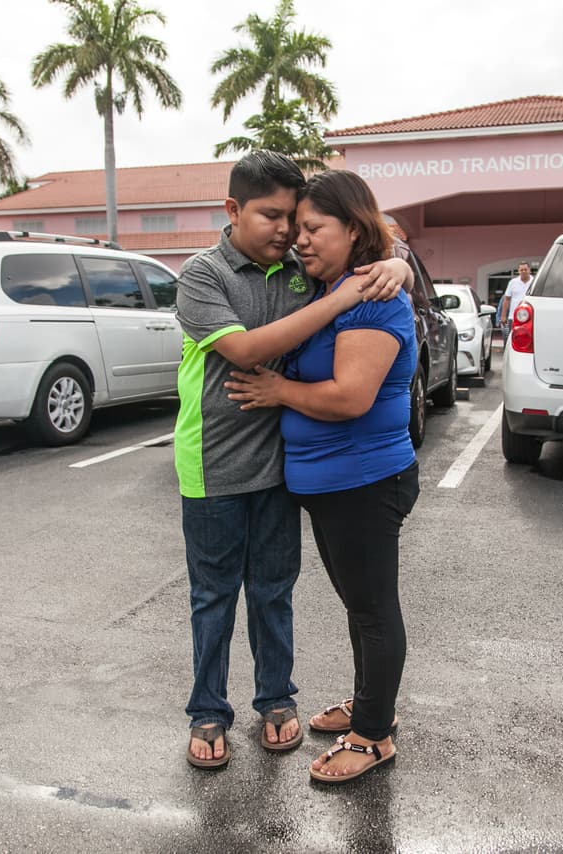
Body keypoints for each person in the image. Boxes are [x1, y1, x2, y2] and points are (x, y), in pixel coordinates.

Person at [175, 151, 412, 769]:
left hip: (287, 472)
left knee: (278, 594)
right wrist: (362, 284)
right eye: (275, 217)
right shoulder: (203, 276)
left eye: (299, 222)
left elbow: (367, 263)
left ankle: (284, 703)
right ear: (233, 210)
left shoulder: (299, 274)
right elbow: (249, 349)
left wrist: (395, 265)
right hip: (214, 469)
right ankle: (208, 711)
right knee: (213, 597)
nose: (288, 233)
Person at [498, 261, 533, 339]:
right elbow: (506, 299)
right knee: (512, 339)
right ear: (518, 271)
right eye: (521, 270)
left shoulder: (534, 282)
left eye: (525, 269)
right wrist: (503, 316)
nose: (523, 271)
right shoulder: (512, 283)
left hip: (530, 318)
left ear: (529, 270)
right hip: (513, 318)